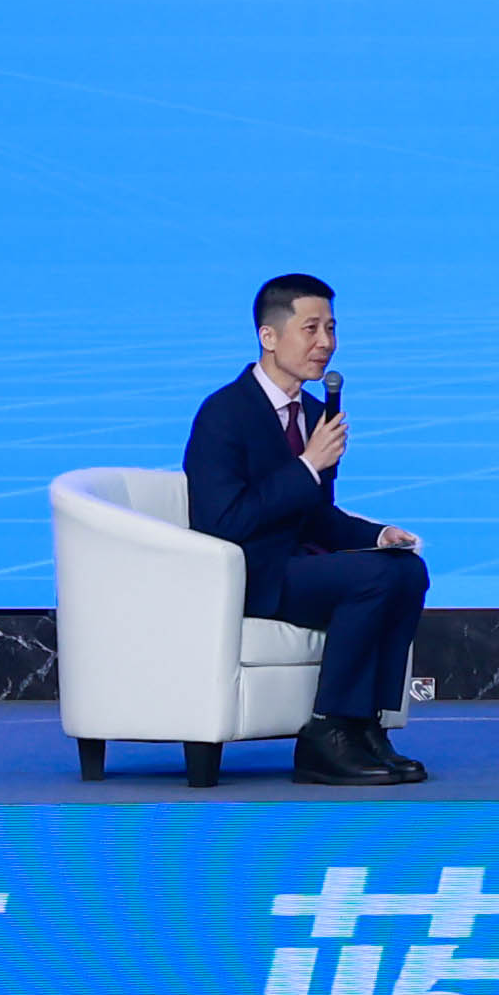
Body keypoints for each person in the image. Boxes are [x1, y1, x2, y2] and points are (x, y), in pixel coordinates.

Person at [183, 273, 434, 785]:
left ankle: (366, 727)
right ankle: (327, 733)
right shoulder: (224, 413)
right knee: (373, 578)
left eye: (332, 329)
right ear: (269, 336)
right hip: (251, 572)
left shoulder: (317, 414)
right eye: (311, 328)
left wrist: (376, 536)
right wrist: (306, 465)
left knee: (405, 570)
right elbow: (221, 521)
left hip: (302, 568)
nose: (326, 343)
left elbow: (317, 515)